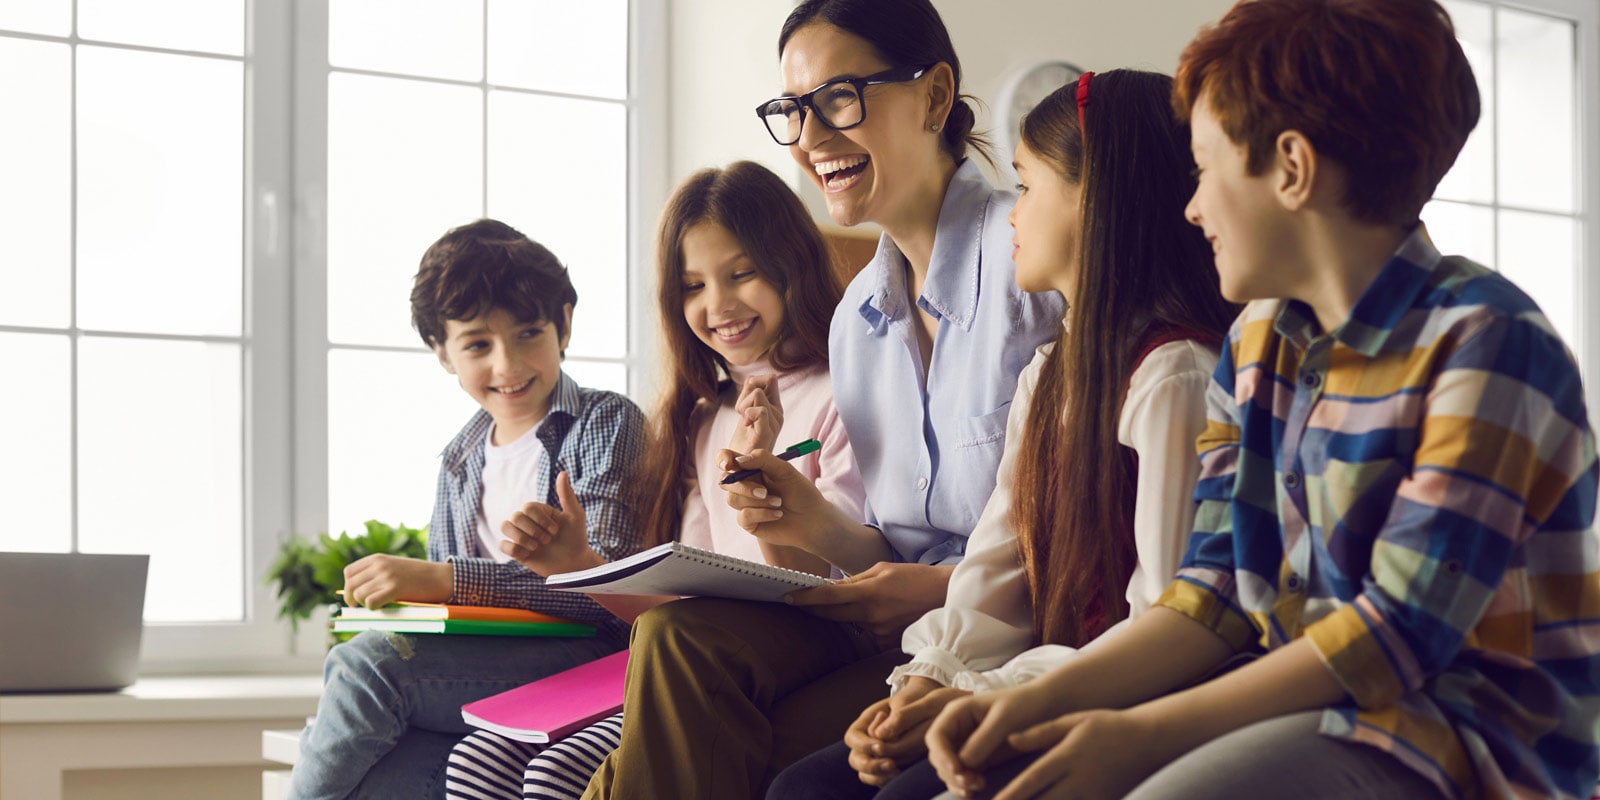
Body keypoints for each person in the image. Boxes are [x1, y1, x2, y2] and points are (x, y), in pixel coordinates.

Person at [922, 2, 1600, 799]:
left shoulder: (1489, 341)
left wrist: (1141, 734)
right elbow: (1211, 594)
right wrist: (1026, 701)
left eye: (1206, 168)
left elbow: (1394, 639)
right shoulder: (1257, 346)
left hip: (1466, 744)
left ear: (1291, 167)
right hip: (1308, 709)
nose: (1191, 206)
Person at [581, 1, 1065, 798]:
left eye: (838, 98)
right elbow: (887, 556)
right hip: (894, 633)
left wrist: (937, 590)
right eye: (792, 111)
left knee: (687, 742)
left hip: (999, 633)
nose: (808, 139)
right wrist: (810, 520)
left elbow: (1091, 535)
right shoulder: (858, 321)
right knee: (676, 636)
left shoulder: (1031, 259)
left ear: (935, 97)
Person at [766, 68, 1241, 800]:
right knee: (807, 788)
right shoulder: (1047, 375)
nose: (1011, 216)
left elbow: (1168, 621)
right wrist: (926, 683)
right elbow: (999, 564)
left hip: (1118, 699)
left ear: (1098, 200)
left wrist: (990, 695)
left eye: (1026, 186)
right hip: (1033, 685)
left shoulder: (1172, 379)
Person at [439, 160, 868, 800]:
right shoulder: (699, 416)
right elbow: (679, 606)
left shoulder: (844, 393)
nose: (717, 305)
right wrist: (576, 562)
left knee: (559, 771)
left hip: (802, 648)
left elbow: (834, 590)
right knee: (478, 762)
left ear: (790, 265)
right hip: (692, 653)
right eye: (692, 285)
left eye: (741, 274)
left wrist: (763, 488)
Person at [287, 219, 648, 800]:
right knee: (377, 779)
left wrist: (443, 579)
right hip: (494, 667)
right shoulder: (459, 459)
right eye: (478, 344)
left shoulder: (606, 422)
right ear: (443, 354)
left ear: (564, 325)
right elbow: (453, 620)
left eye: (529, 333)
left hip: (593, 659)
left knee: (368, 666)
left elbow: (605, 594)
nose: (507, 365)